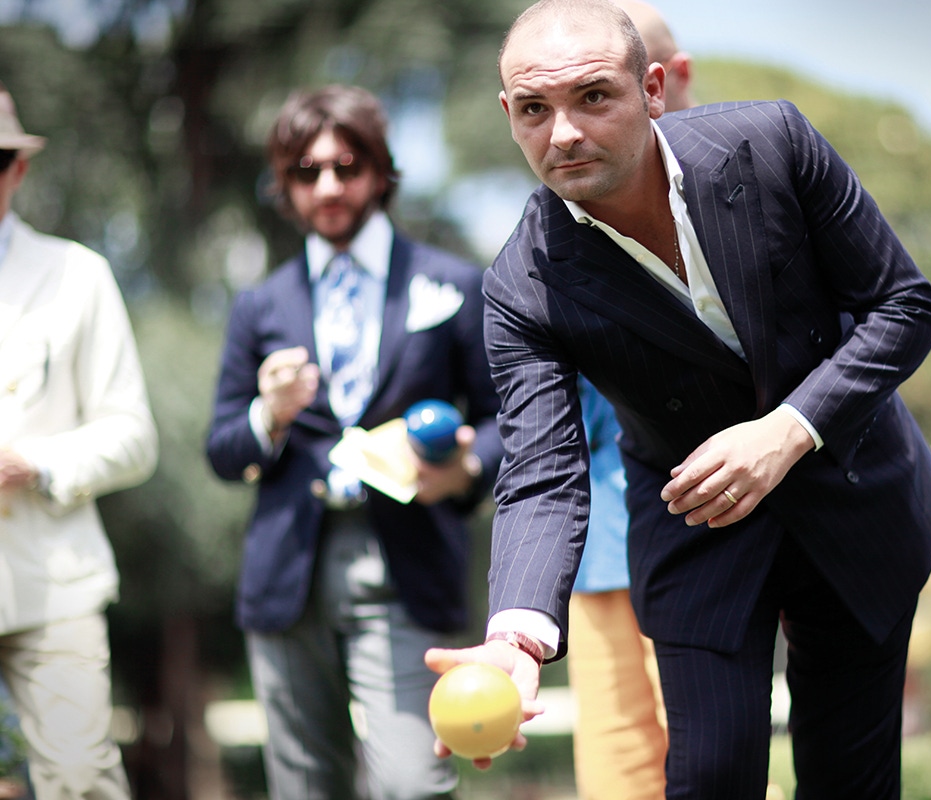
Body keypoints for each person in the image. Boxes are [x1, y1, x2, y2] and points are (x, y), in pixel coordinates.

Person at [425, 1, 931, 797]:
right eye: (534, 109)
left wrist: (787, 430)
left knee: (851, 782)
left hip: (855, 492)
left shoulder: (773, 142)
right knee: (706, 781)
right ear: (510, 115)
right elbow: (542, 473)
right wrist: (517, 641)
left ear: (654, 88)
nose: (561, 132)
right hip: (698, 526)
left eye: (593, 96)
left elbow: (903, 307)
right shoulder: (520, 285)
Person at [205, 84, 502, 800]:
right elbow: (222, 449)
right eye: (307, 172)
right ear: (285, 185)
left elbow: (509, 422)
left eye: (346, 165)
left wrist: (463, 469)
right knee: (306, 790)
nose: (329, 185)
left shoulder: (453, 284)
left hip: (408, 562)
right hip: (287, 571)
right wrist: (268, 416)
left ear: (379, 171)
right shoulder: (259, 304)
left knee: (411, 782)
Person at [0, 82, 158, 798]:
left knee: (80, 782)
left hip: (53, 581)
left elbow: (133, 437)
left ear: (19, 169)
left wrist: (32, 463)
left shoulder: (78, 275)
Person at [563, 3, 692, 798]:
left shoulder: (747, 197)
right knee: (617, 779)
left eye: (599, 91)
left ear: (665, 80)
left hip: (705, 540)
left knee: (713, 764)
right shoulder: (553, 234)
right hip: (602, 556)